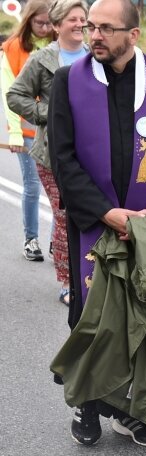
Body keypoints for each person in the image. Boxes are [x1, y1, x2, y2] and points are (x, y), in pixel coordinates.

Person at [47, 0, 146, 447]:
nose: (95, 36)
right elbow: (64, 159)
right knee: (94, 316)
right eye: (92, 26)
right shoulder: (67, 81)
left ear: (134, 34)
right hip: (96, 223)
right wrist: (104, 212)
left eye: (107, 29)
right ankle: (88, 401)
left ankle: (133, 408)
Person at [8, 0, 89, 306]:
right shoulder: (43, 59)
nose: (80, 24)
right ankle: (68, 283)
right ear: (57, 26)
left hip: (91, 153)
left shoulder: (96, 57)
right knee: (65, 215)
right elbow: (15, 96)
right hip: (52, 153)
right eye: (73, 19)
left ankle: (88, 272)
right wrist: (48, 112)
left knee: (88, 215)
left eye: (84, 18)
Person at [1, 0, 54, 262]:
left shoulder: (61, 45)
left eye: (49, 22)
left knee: (61, 193)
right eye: (39, 23)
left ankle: (59, 242)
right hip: (28, 132)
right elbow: (9, 93)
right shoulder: (12, 48)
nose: (45, 28)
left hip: (56, 133)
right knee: (32, 186)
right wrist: (14, 134)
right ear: (28, 21)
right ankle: (31, 239)